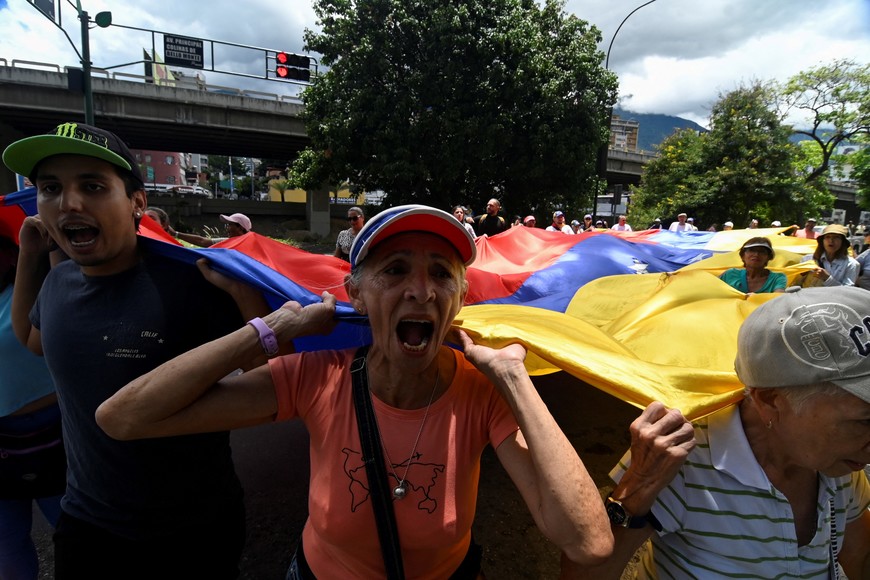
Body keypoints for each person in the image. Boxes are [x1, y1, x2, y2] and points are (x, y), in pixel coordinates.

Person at [95, 204, 615, 578]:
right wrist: (272, 329)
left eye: (441, 273)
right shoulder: (316, 376)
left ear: (458, 299)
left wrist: (514, 379)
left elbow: (588, 543)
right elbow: (124, 417)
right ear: (356, 295)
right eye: (394, 271)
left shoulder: (482, 393)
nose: (420, 290)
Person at [2, 122, 270, 579]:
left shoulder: (193, 282)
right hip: (87, 525)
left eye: (92, 185)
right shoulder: (58, 283)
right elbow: (34, 341)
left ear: (136, 203)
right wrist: (30, 254)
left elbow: (268, 374)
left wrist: (245, 296)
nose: (68, 203)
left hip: (193, 530)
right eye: (51, 188)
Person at [563, 285, 870, 579]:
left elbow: (860, 556)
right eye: (864, 419)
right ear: (771, 401)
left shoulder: (840, 465)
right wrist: (637, 489)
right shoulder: (677, 460)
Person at [0, 235, 66, 580]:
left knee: (74, 533)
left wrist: (41, 248)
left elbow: (65, 305)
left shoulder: (39, 288)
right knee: (6, 550)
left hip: (53, 433)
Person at [718, 237, 787, 294]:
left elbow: (779, 297)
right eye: (751, 250)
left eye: (762, 251)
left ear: (768, 257)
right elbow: (712, 288)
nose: (756, 254)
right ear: (742, 256)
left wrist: (756, 298)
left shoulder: (777, 278)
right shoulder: (730, 274)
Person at [169, 213, 252, 247]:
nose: (227, 228)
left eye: (230, 225)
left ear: (240, 228)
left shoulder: (252, 246)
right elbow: (202, 241)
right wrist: (175, 233)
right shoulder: (227, 242)